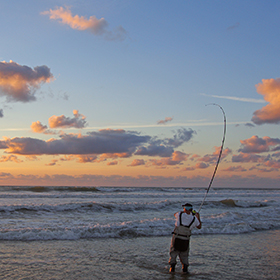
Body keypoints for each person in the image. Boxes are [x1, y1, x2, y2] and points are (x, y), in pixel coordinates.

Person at [168, 203, 201, 274]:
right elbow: (199, 226)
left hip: (177, 236)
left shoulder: (179, 214)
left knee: (173, 252)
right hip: (186, 238)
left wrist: (185, 211)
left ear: (184, 208)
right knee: (184, 254)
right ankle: (185, 269)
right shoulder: (194, 219)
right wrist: (197, 216)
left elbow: (174, 214)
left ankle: (172, 268)